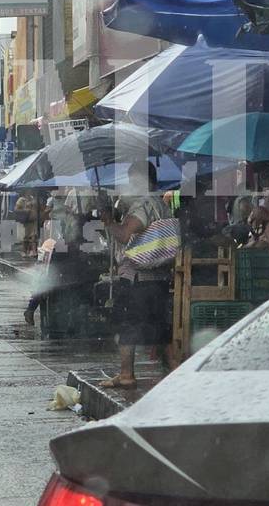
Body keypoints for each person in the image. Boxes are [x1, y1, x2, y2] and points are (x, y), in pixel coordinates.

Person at [99, 161, 176, 389]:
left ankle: (126, 374)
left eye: (132, 179)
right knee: (160, 328)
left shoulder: (142, 205)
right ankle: (174, 373)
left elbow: (124, 235)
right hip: (160, 276)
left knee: (128, 325)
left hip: (137, 278)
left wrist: (110, 222)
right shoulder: (162, 205)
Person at [14, 192, 38, 259]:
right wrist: (26, 210)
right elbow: (16, 209)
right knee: (26, 237)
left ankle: (33, 251)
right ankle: (24, 251)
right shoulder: (21, 200)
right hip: (26, 221)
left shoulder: (34, 198)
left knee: (33, 236)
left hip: (34, 220)